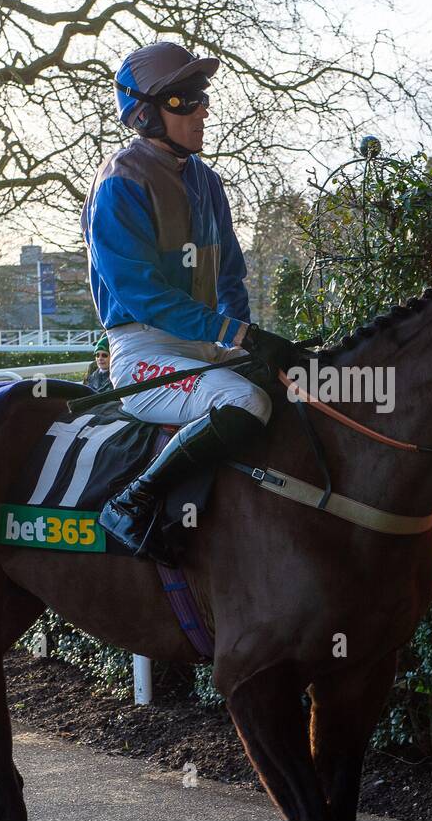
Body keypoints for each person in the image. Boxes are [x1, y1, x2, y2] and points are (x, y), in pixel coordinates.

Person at [81, 41, 298, 561]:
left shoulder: (207, 181)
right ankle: (131, 503)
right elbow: (143, 294)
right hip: (143, 352)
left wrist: (252, 344)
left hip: (206, 344)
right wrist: (239, 335)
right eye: (182, 100)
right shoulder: (119, 183)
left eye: (201, 97)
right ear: (145, 112)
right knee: (245, 401)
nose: (200, 110)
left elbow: (230, 276)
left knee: (299, 383)